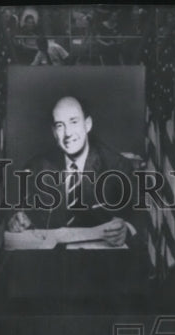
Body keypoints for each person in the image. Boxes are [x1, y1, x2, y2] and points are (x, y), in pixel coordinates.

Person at [11, 96, 137, 248]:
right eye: (60, 125)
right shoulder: (37, 167)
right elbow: (22, 213)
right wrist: (17, 221)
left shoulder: (116, 165)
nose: (68, 133)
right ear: (53, 132)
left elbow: (140, 216)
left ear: (87, 124)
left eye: (74, 122)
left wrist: (127, 230)